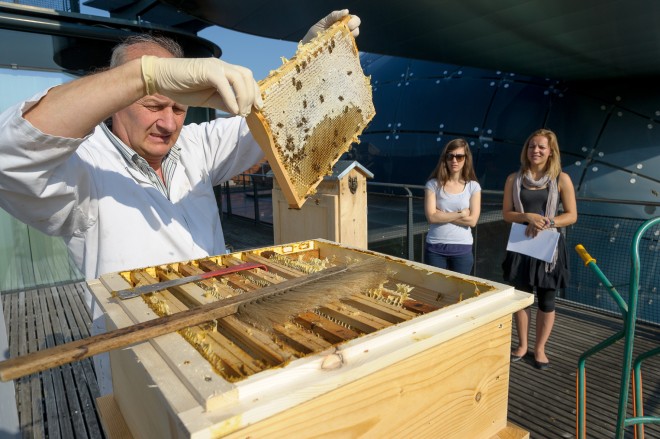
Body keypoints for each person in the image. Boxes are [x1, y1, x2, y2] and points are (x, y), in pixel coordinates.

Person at [0, 9, 360, 394]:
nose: (169, 123)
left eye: (178, 107)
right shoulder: (83, 167)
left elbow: (271, 121)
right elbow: (11, 154)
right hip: (140, 366)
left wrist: (310, 61)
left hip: (226, 339)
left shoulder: (196, 145)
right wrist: (139, 77)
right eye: (153, 105)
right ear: (117, 100)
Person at [502, 128, 577, 370]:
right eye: (532, 146)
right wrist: (527, 216)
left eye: (541, 147)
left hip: (548, 248)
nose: (536, 150)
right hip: (521, 246)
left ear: (550, 152)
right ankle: (523, 345)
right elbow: (507, 214)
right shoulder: (514, 179)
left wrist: (548, 222)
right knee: (522, 298)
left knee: (547, 300)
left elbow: (572, 215)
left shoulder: (561, 179)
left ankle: (540, 348)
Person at [424, 138, 481, 275]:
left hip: (462, 249)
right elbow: (431, 217)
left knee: (460, 293)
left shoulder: (473, 186)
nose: (454, 161)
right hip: (435, 248)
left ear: (466, 159)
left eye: (459, 157)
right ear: (445, 158)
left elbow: (473, 221)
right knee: (435, 291)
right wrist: (461, 214)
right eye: (450, 156)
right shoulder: (433, 184)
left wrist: (442, 215)